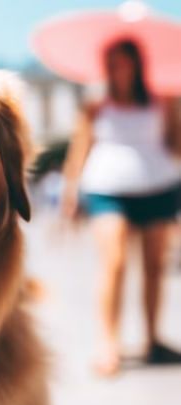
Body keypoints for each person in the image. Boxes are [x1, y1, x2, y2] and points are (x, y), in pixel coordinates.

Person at [62, 39, 181, 376]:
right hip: (107, 189)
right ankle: (108, 344)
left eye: (123, 61)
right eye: (111, 62)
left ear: (137, 64)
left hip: (158, 188)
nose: (118, 68)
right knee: (114, 263)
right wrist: (71, 192)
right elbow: (79, 148)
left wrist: (174, 111)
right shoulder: (95, 106)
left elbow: (175, 144)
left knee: (155, 267)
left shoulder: (162, 100)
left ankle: (153, 339)